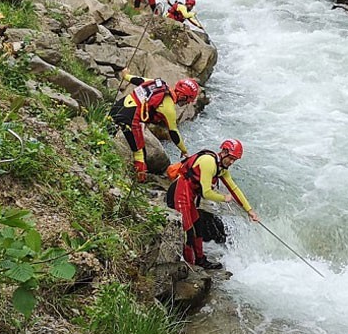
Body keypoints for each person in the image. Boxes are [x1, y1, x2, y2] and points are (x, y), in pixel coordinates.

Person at [166, 139, 260, 270]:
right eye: (231, 158)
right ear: (224, 152)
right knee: (188, 232)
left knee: (197, 226)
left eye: (235, 160)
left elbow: (234, 189)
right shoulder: (208, 162)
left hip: (189, 196)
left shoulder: (221, 169)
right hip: (178, 193)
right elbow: (206, 193)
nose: (232, 162)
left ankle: (200, 261)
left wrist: (249, 211)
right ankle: (190, 265)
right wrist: (223, 198)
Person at [111, 68, 200, 181]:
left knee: (108, 132)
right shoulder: (169, 109)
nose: (187, 103)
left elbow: (139, 80)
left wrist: (126, 75)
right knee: (140, 153)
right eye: (188, 100)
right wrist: (184, 151)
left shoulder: (158, 84)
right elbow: (173, 133)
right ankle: (138, 183)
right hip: (130, 119)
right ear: (183, 96)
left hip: (118, 106)